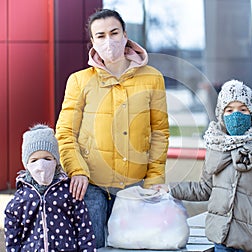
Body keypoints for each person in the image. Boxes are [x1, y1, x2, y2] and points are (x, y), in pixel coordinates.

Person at [55, 9, 169, 248]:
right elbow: (65, 133)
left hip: (134, 187)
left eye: (114, 32)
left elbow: (159, 132)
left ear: (125, 35)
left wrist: (155, 177)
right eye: (101, 35)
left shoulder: (153, 78)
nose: (109, 41)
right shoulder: (79, 80)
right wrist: (76, 170)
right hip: (90, 187)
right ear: (93, 42)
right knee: (91, 246)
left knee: (134, 246)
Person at [152, 80, 252, 252]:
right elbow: (204, 189)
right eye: (229, 110)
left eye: (243, 109)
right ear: (221, 114)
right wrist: (171, 188)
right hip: (222, 241)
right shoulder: (215, 149)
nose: (236, 115)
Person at [4, 124, 96, 251]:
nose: (41, 165)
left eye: (47, 158)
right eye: (34, 160)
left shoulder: (68, 191)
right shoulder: (21, 198)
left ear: (56, 160)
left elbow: (83, 227)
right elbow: (12, 234)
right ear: (26, 164)